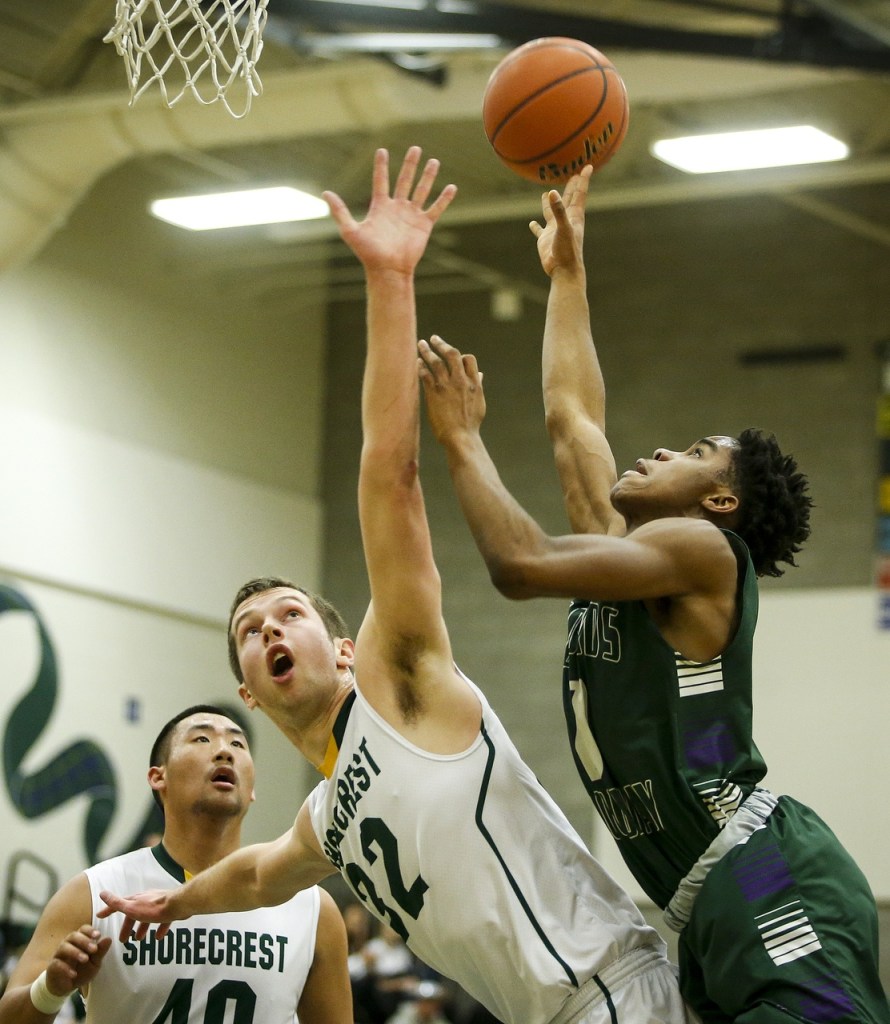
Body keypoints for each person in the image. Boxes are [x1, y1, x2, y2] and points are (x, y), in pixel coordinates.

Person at [97, 147, 695, 1024]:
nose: (269, 631)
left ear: (342, 649)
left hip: (610, 990)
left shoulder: (397, 678)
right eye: (250, 632)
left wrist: (389, 278)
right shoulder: (329, 814)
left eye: (289, 614)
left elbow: (390, 474)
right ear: (250, 696)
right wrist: (171, 904)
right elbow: (260, 874)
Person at [416, 165, 889, 1023]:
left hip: (766, 872)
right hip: (702, 905)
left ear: (720, 501)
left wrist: (461, 443)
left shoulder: (703, 551)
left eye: (694, 450)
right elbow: (573, 416)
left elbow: (518, 566)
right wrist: (568, 274)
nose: (661, 449)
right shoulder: (632, 555)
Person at [0, 704, 352, 1024]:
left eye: (238, 744)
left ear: (252, 788)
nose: (224, 751)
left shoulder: (313, 909)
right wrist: (50, 989)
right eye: (202, 738)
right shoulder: (95, 893)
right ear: (158, 776)